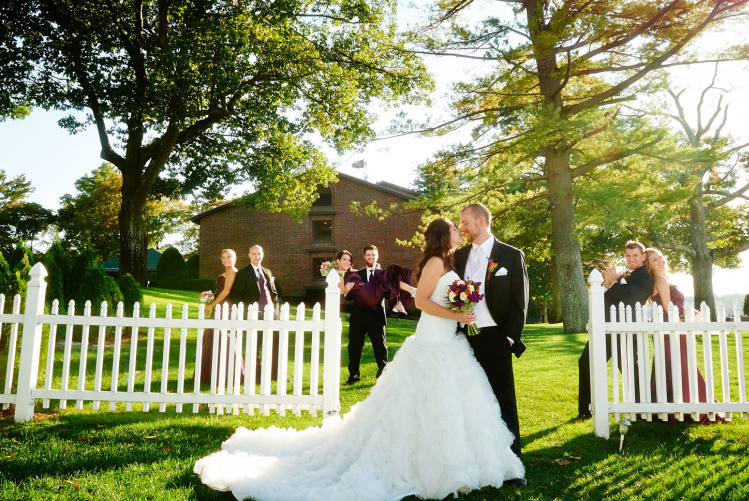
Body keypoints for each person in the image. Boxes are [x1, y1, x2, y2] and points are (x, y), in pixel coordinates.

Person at [194, 218, 525, 501]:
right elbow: (422, 302)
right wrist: (459, 314)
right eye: (454, 227)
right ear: (443, 235)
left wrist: (459, 311)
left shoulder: (451, 260)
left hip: (448, 343)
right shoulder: (437, 262)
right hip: (431, 342)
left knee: (454, 405)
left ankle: (466, 460)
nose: (459, 229)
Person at [455, 203, 529, 485]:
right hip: (464, 340)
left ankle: (512, 466)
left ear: (482, 220)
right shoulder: (459, 256)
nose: (461, 228)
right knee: (469, 400)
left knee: (503, 400)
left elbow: (520, 300)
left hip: (496, 337)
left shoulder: (510, 255)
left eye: (465, 223)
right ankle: (474, 459)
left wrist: (509, 337)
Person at [575, 240, 654, 421]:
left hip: (625, 330)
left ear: (643, 257)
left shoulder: (644, 277)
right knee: (586, 362)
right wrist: (608, 283)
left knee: (629, 369)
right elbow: (607, 299)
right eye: (628, 255)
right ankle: (585, 411)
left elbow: (629, 300)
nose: (631, 259)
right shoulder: (624, 274)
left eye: (635, 255)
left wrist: (613, 282)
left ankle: (642, 410)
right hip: (605, 329)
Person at [645, 248, 719, 424]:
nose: (660, 261)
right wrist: (684, 325)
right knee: (680, 366)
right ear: (648, 265)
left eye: (660, 257)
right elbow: (667, 307)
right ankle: (686, 407)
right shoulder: (661, 280)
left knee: (674, 365)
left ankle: (671, 406)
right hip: (672, 328)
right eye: (654, 259)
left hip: (670, 328)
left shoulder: (662, 279)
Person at [228, 245, 280, 379]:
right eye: (254, 254)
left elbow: (273, 293)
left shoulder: (267, 271)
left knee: (274, 345)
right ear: (249, 255)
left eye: (259, 254)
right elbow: (237, 296)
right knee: (255, 345)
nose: (257, 256)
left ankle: (274, 374)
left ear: (263, 254)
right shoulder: (243, 274)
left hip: (271, 314)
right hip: (255, 315)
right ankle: (256, 374)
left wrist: (276, 310)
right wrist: (249, 311)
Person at [196, 249, 244, 384]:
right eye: (223, 257)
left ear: (235, 258)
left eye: (229, 257)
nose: (226, 259)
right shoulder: (227, 271)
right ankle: (211, 373)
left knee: (222, 336)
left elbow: (226, 291)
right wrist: (210, 298)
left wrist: (211, 305)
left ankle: (227, 373)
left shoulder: (232, 271)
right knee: (212, 335)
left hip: (224, 305)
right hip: (220, 304)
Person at [344, 245, 388, 385]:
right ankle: (354, 375)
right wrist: (347, 290)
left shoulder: (384, 274)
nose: (371, 257)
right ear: (364, 257)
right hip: (358, 316)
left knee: (380, 345)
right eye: (368, 255)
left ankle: (383, 373)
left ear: (377, 256)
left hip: (377, 316)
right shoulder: (356, 274)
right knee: (354, 346)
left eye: (373, 255)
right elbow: (349, 297)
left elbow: (388, 294)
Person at [333, 249, 416, 314]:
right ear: (338, 261)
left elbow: (363, 272)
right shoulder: (337, 274)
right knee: (388, 276)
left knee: (390, 277)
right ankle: (410, 291)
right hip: (366, 293)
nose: (347, 262)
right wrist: (347, 285)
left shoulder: (353, 271)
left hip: (369, 289)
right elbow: (342, 291)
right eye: (344, 259)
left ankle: (403, 298)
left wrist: (377, 268)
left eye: (349, 260)